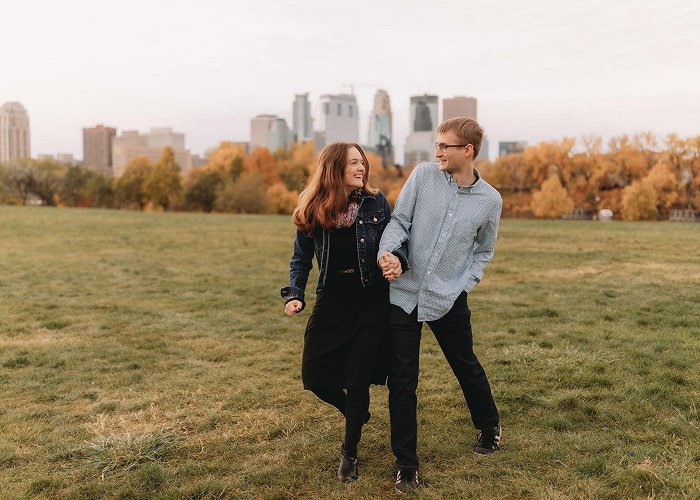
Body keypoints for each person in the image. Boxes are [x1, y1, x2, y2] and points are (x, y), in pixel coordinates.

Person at [377, 117, 503, 494]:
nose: (437, 152)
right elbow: (400, 220)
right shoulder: (423, 175)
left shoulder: (490, 200)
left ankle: (489, 424)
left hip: (448, 298)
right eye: (437, 145)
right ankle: (407, 465)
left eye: (445, 146)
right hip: (403, 293)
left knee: (464, 364)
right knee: (403, 381)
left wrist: (464, 283)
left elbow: (484, 250)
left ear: (468, 151)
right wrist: (388, 251)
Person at [281, 142, 406, 483]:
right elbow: (300, 258)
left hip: (371, 300)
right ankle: (357, 412)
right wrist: (295, 294)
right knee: (314, 373)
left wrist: (396, 260)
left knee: (358, 377)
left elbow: (395, 241)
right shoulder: (314, 207)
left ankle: (349, 454)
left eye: (362, 162)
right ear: (335, 167)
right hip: (333, 300)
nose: (361, 167)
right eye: (353, 163)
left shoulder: (375, 202)